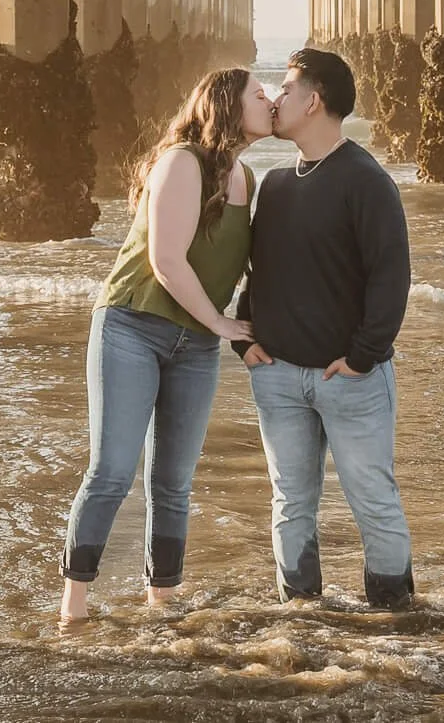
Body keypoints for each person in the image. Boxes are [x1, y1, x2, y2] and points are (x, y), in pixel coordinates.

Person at [57, 67, 275, 624]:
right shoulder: (182, 160)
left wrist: (251, 330)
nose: (269, 100)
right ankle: (74, 606)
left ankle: (162, 603)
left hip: (195, 344)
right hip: (132, 326)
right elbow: (166, 262)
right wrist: (224, 325)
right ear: (227, 105)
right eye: (258, 93)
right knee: (111, 470)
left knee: (173, 482)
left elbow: (250, 268)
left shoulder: (247, 179)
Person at [234, 47, 416, 608]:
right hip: (279, 377)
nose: (276, 97)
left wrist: (364, 356)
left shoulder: (366, 181)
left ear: (313, 101)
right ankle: (303, 617)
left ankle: (395, 617)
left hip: (351, 379)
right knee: (290, 503)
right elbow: (261, 270)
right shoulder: (276, 185)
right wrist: (245, 334)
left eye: (286, 89)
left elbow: (392, 277)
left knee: (372, 499)